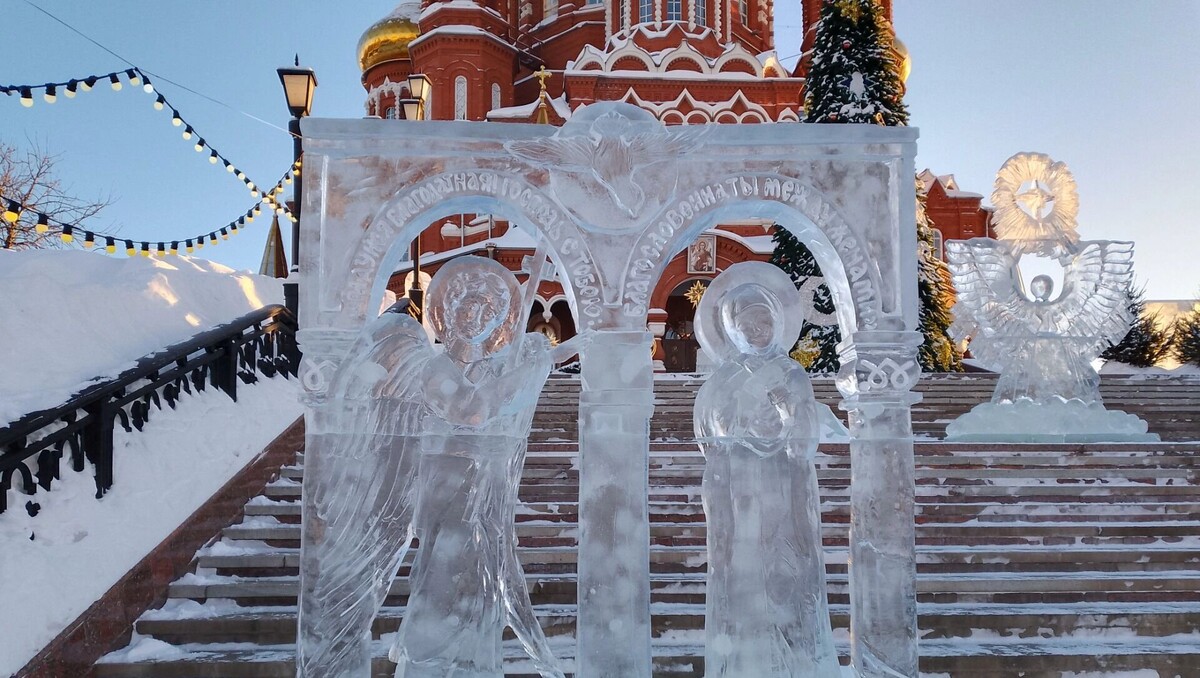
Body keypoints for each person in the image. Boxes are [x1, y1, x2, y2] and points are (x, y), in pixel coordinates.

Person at [392, 256, 586, 678]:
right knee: (440, 587)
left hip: (485, 495)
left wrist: (562, 350)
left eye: (487, 310)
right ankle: (427, 666)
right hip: (448, 497)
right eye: (465, 307)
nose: (474, 316)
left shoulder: (493, 368)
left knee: (482, 593)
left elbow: (517, 378)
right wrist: (531, 366)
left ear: (497, 319)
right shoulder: (436, 367)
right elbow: (473, 409)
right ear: (448, 314)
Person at [693, 262, 840, 678]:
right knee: (741, 582)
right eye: (747, 322)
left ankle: (793, 663)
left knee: (786, 574)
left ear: (777, 323)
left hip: (782, 490)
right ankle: (743, 663)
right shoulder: (719, 381)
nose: (757, 329)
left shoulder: (791, 374)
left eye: (764, 320)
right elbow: (708, 440)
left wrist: (781, 408)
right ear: (730, 328)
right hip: (738, 496)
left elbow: (804, 441)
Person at [297, 309, 433, 677]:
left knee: (362, 602)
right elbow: (333, 474)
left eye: (407, 355)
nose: (399, 364)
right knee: (342, 605)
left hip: (394, 512)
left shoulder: (419, 408)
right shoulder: (356, 404)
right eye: (392, 354)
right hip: (353, 516)